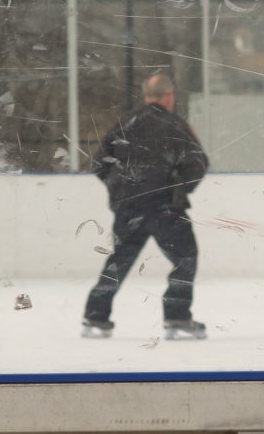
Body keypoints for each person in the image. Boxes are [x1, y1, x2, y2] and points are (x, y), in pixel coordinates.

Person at [82, 73, 209, 339]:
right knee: (186, 257)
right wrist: (178, 188)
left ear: (146, 95)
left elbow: (99, 164)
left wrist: (121, 189)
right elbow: (198, 163)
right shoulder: (175, 125)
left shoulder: (125, 123)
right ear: (169, 96)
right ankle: (176, 317)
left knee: (120, 260)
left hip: (129, 208)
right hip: (165, 208)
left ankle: (95, 316)